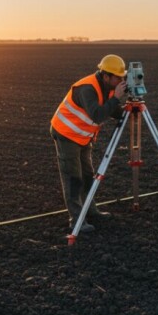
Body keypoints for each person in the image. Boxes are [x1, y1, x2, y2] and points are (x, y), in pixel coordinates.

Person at [50, 54, 128, 232]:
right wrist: (116, 97)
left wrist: (127, 108)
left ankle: (91, 211)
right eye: (118, 78)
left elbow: (112, 111)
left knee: (87, 174)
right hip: (66, 134)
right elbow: (98, 114)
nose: (121, 80)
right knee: (73, 178)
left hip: (82, 136)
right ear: (106, 75)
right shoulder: (87, 88)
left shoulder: (107, 86)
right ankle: (77, 220)